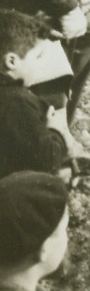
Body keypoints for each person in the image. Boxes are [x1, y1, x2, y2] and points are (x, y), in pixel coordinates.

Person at [0, 10, 77, 180]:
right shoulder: (18, 101)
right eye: (38, 57)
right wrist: (54, 129)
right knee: (55, 186)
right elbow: (48, 160)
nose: (41, 65)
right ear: (12, 61)